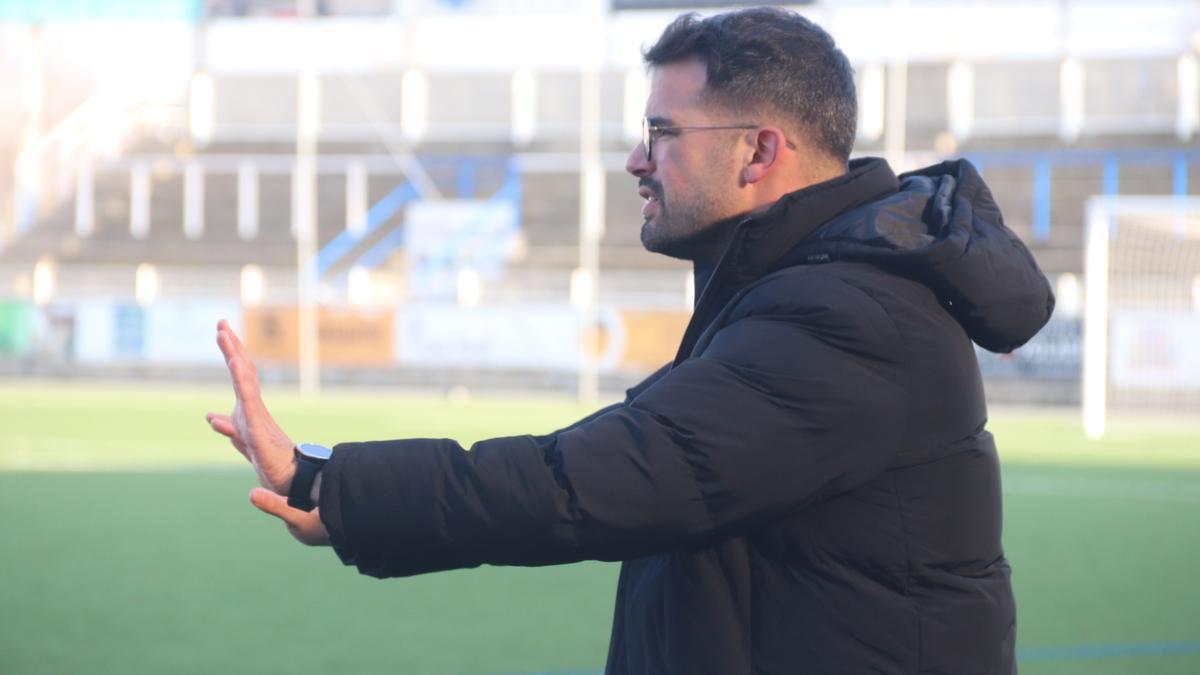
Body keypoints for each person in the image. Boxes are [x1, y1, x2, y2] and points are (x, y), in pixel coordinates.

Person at [207, 7, 1053, 674]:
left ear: (760, 151)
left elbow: (586, 482)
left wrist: (333, 484)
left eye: (662, 133)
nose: (635, 161)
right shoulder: (803, 290)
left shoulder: (847, 317)